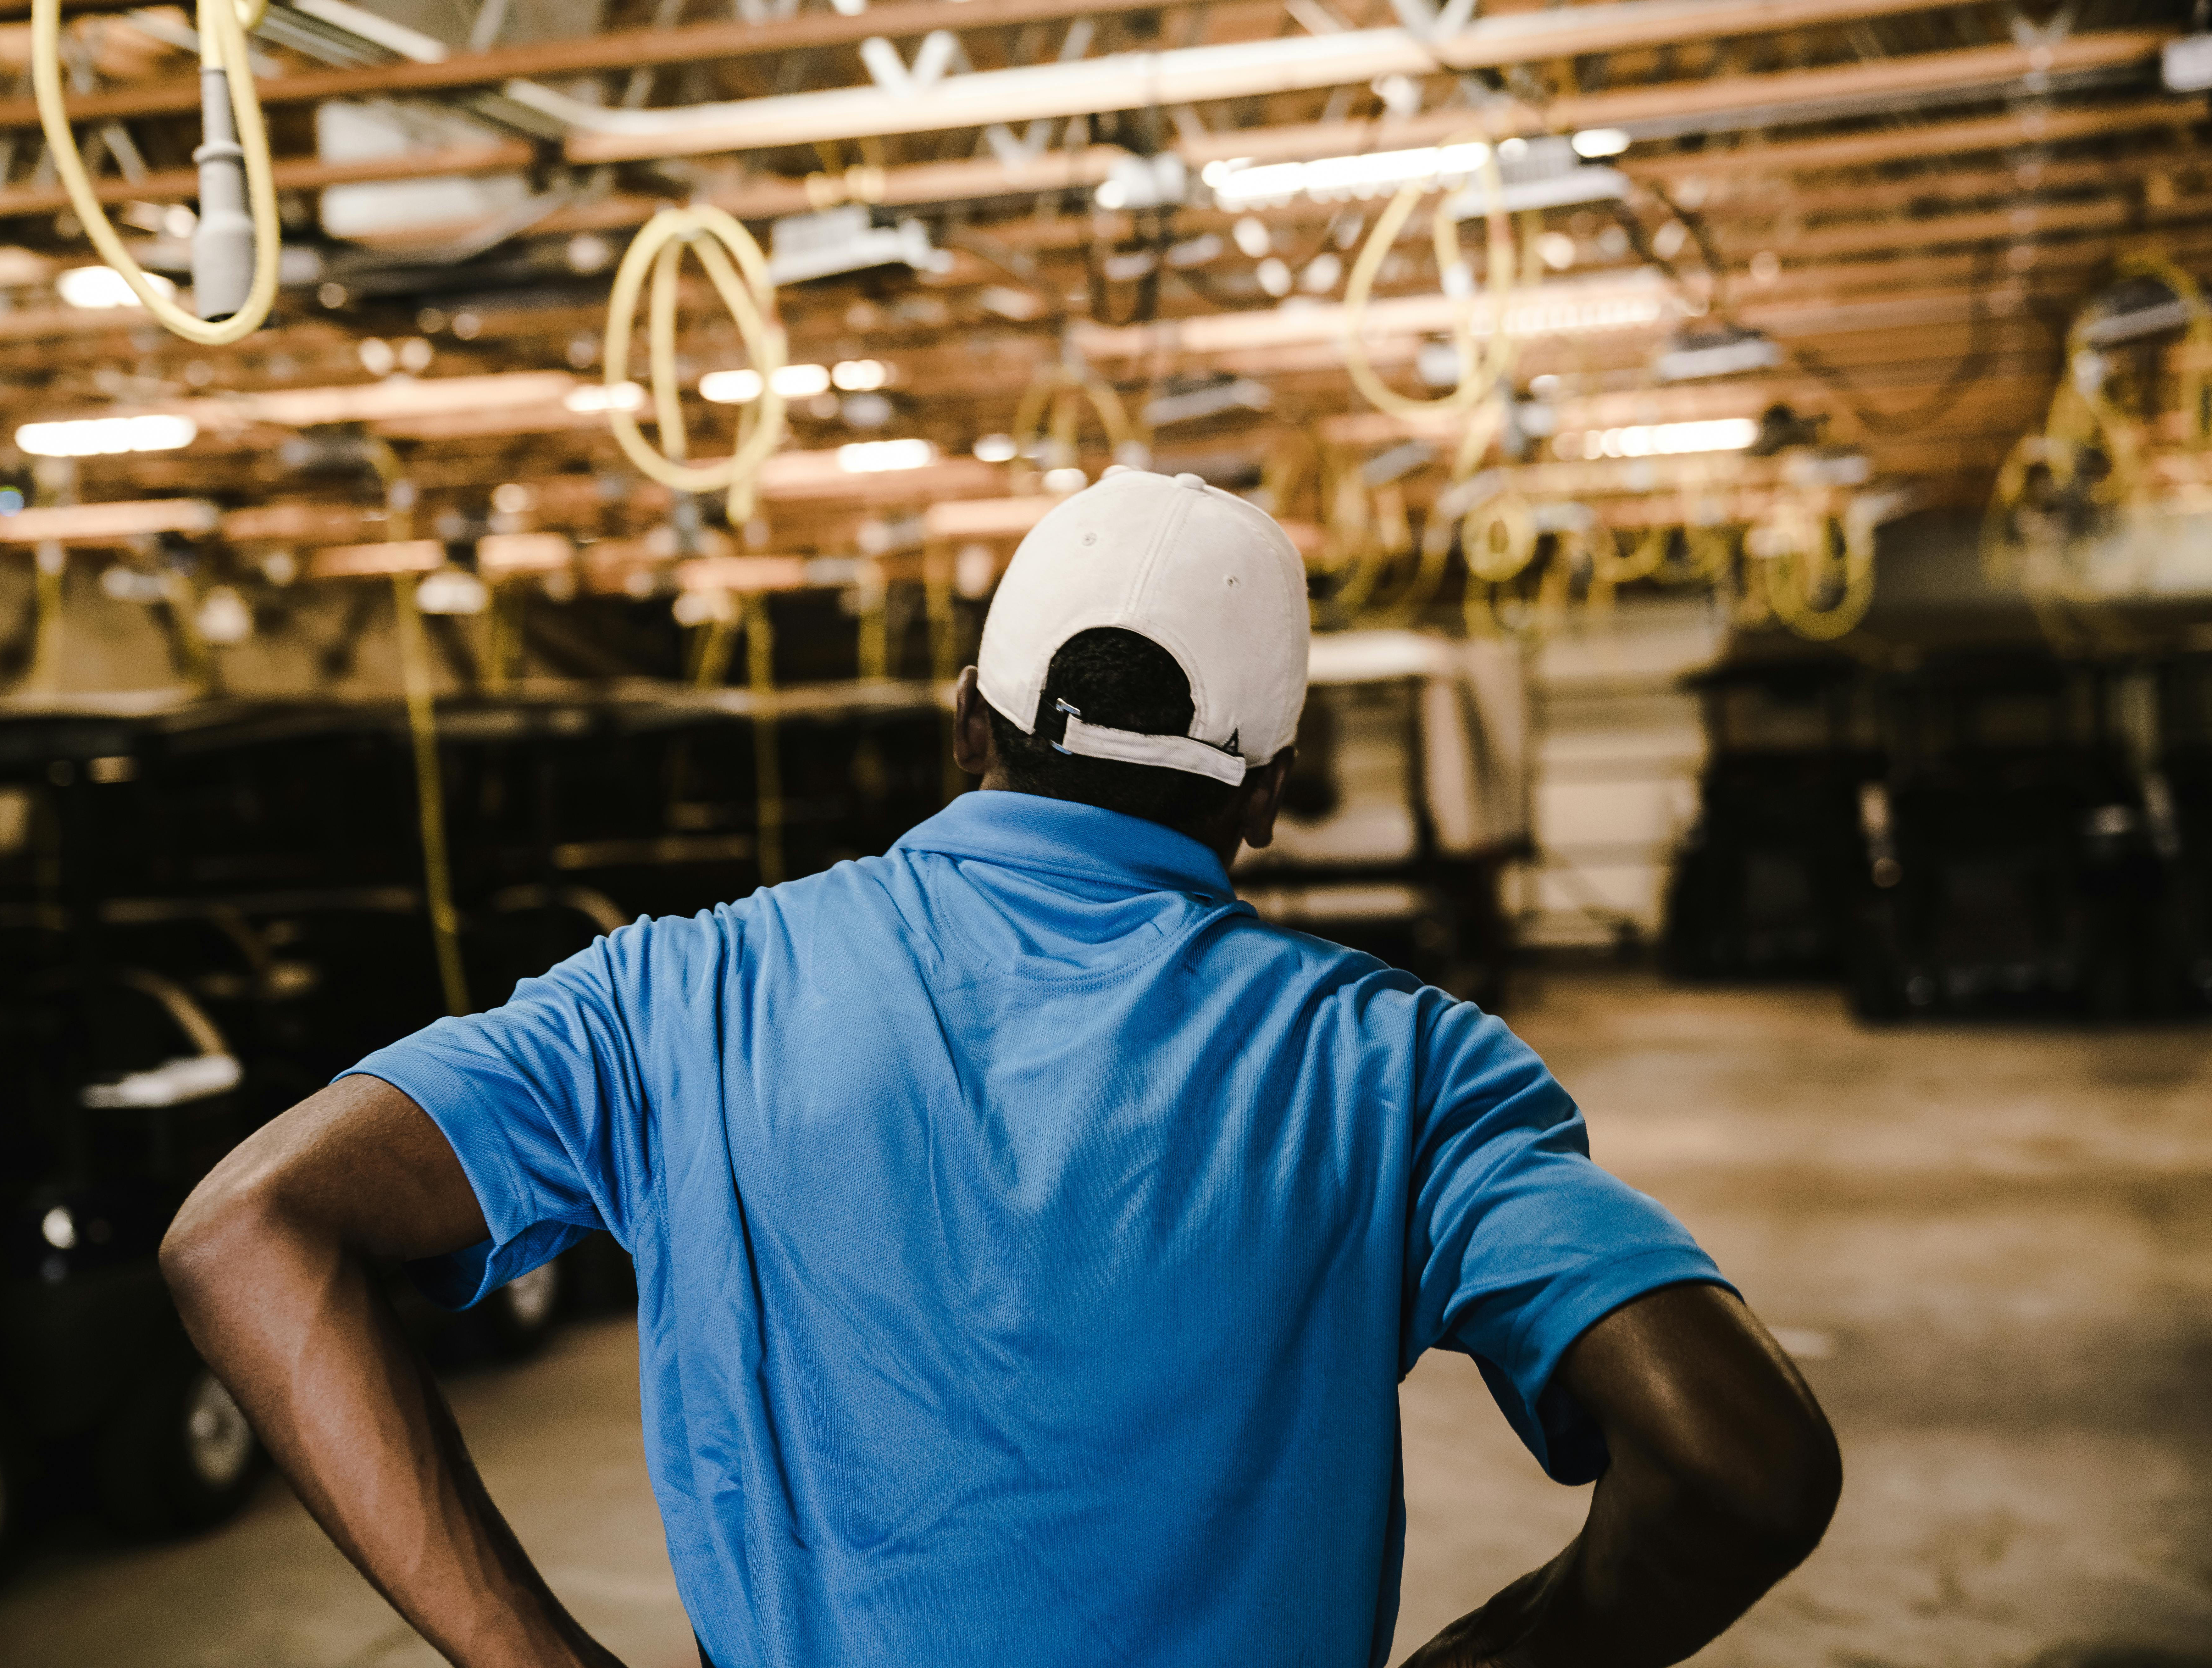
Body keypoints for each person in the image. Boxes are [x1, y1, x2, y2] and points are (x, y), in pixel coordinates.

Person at [162, 469, 1840, 1668]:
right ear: (1267, 794)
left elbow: (244, 1228)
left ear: (967, 721)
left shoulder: (681, 994)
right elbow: (1742, 1461)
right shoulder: (1398, 1069)